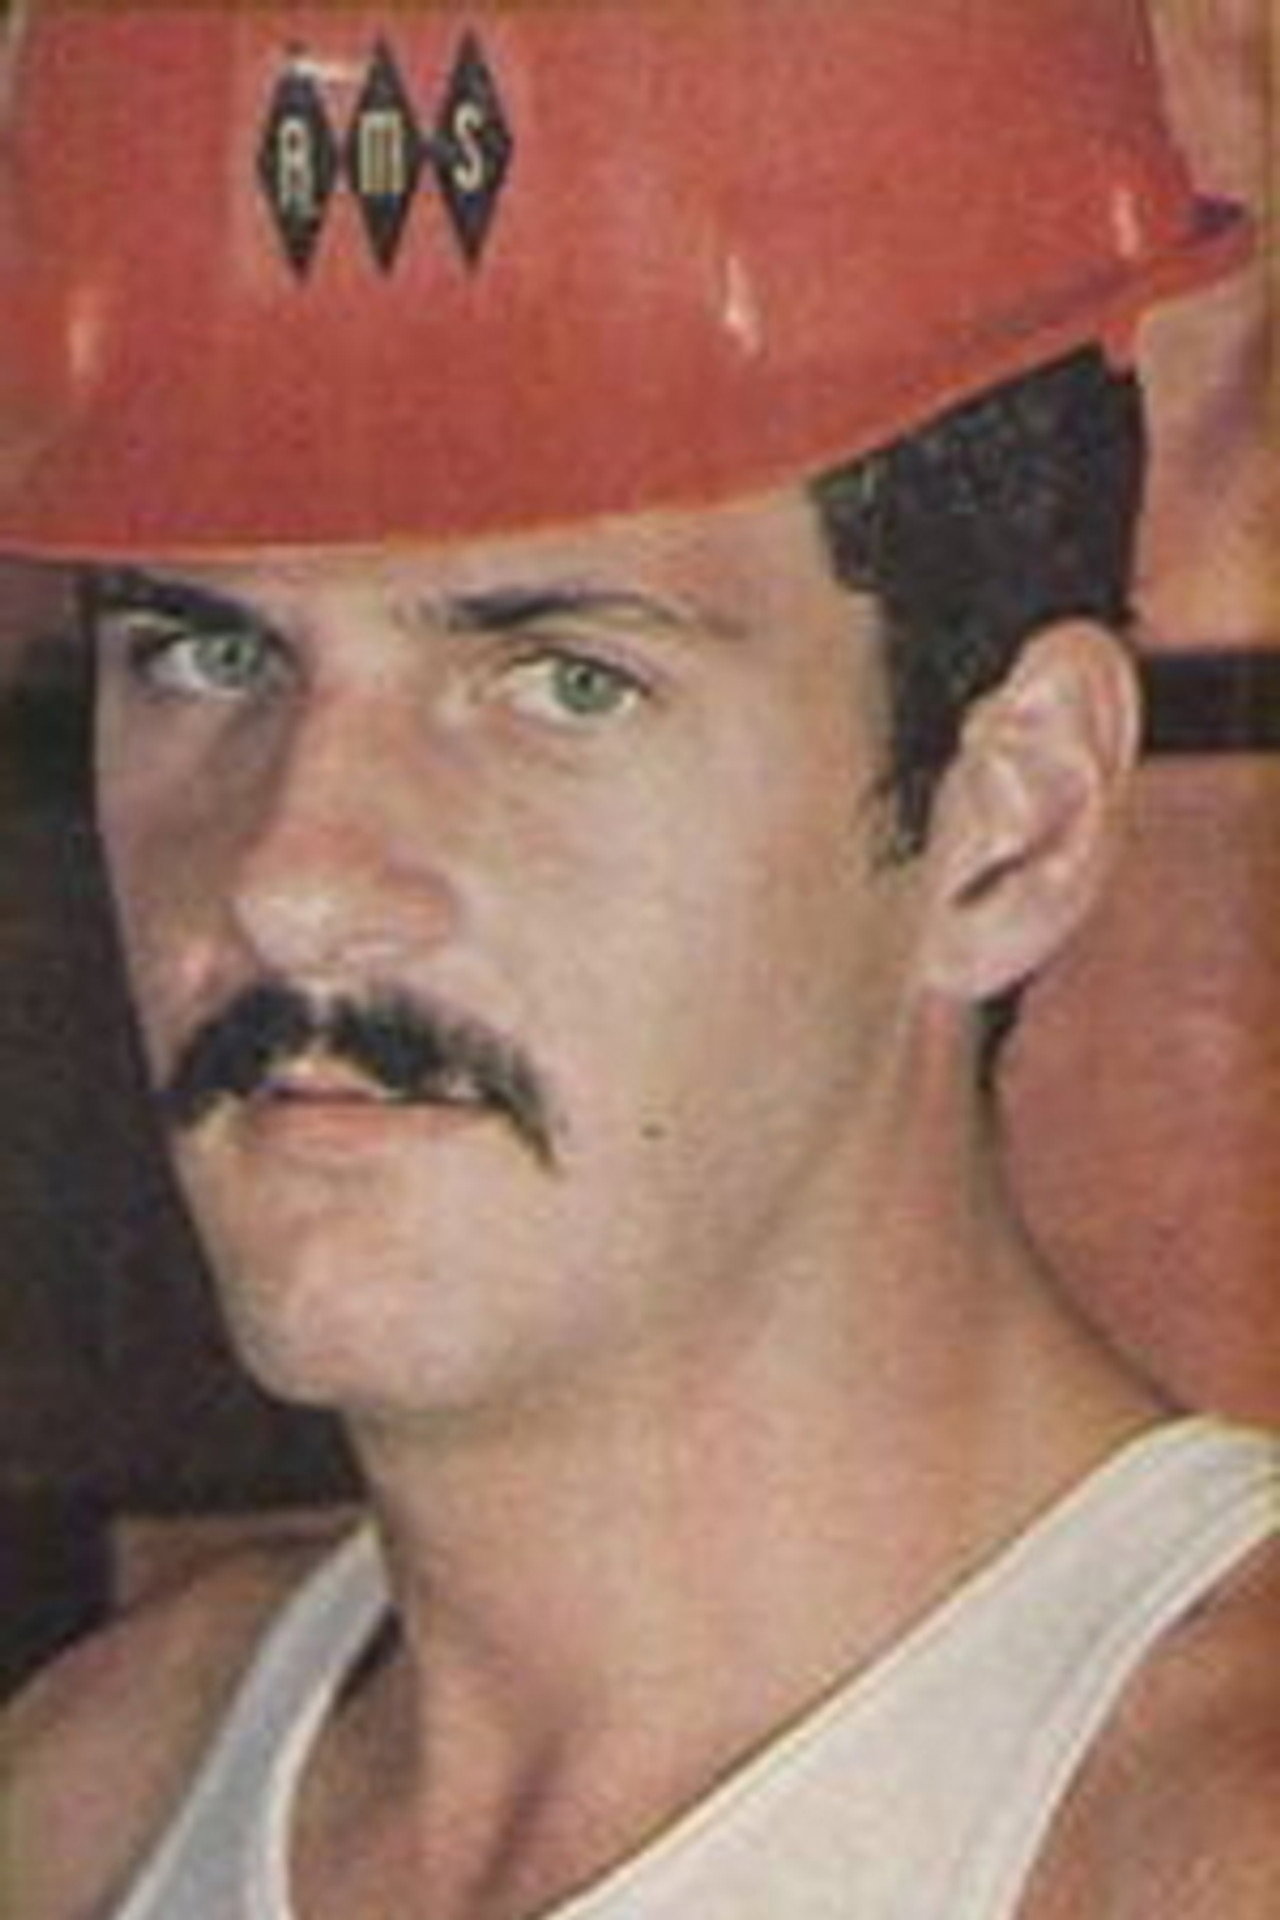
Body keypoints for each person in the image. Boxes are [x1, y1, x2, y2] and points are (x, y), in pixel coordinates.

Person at [1, 3, 1276, 1917]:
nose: (290, 882)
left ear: (1009, 816)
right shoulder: (93, 1799)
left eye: (562, 680)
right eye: (207, 653)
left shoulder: (1206, 1841)